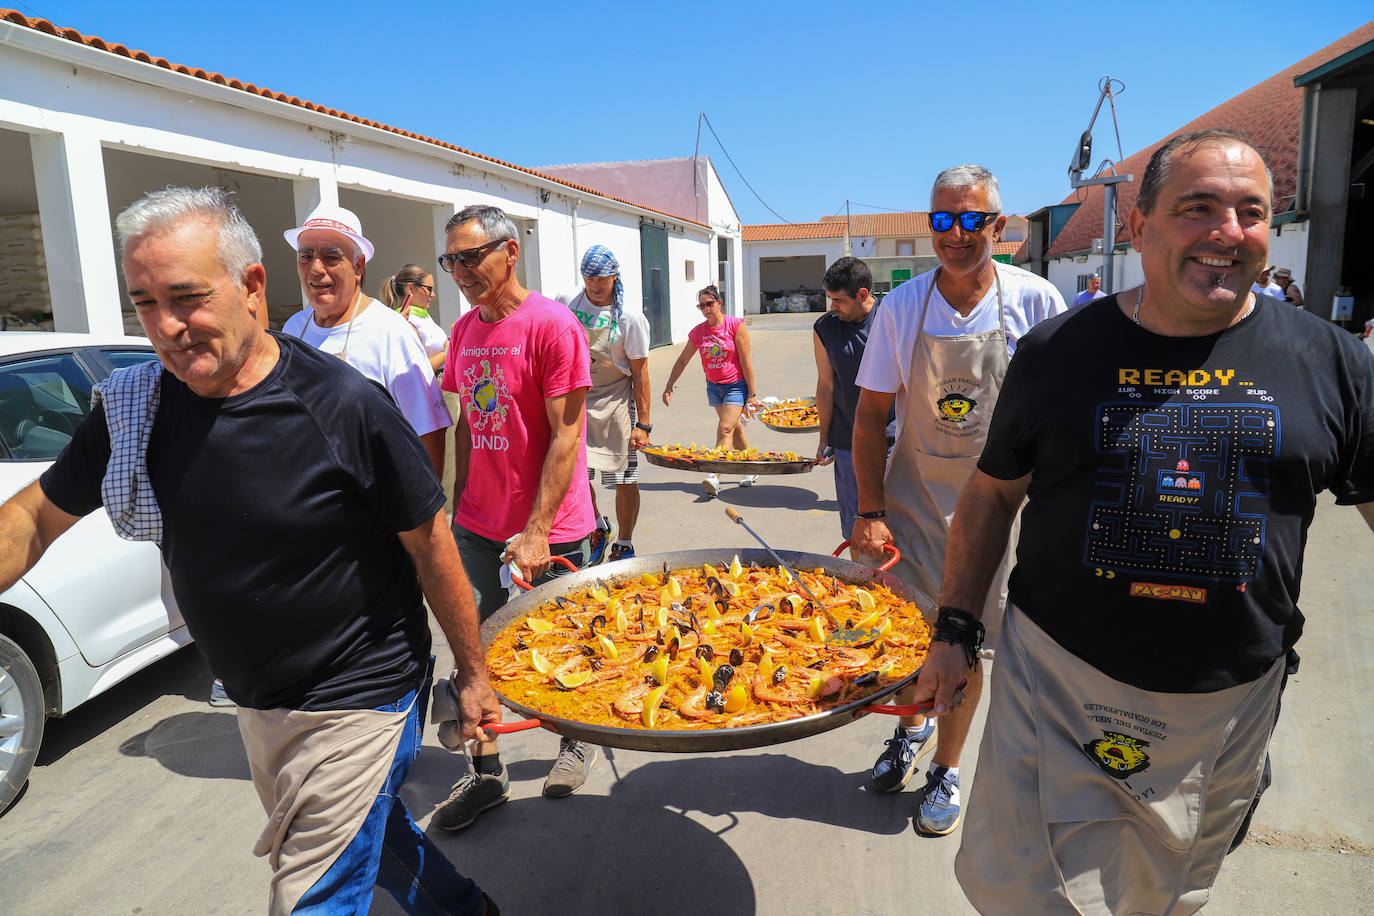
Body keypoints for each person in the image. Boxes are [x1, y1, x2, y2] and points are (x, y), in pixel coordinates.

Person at [6, 186, 502, 915]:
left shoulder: (343, 405)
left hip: (359, 695)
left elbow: (430, 543)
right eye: (144, 303)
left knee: (314, 892)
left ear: (251, 286)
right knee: (377, 838)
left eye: (186, 297)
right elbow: (33, 517)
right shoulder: (137, 406)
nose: (167, 327)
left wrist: (473, 672)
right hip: (261, 703)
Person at [918, 130, 1374, 914]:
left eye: (1251, 212)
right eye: (1197, 208)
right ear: (1140, 227)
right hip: (1054, 680)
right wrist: (956, 626)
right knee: (1015, 884)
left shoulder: (1331, 362)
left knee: (1159, 894)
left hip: (1220, 703)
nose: (1226, 233)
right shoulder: (1058, 350)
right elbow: (991, 496)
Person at [852, 164, 1067, 836]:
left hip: (998, 512)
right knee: (912, 637)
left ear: (998, 226)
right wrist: (868, 511)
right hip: (915, 504)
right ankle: (909, 729)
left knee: (966, 641)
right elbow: (868, 418)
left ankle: (946, 765)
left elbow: (1062, 421)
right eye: (944, 220)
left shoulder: (1035, 303)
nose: (957, 233)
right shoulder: (903, 306)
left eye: (972, 219)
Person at [432, 204, 597, 820]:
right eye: (452, 260)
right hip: (477, 527)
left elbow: (566, 436)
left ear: (509, 252)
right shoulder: (465, 332)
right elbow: (472, 426)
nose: (460, 271)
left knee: (566, 642)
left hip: (552, 531)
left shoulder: (553, 325)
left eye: (471, 257)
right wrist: (453, 508)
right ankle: (486, 772)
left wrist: (536, 531)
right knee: (473, 652)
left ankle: (577, 741)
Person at [281, 204, 451, 477]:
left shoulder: (390, 332)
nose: (315, 269)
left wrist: (422, 518)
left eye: (330, 257)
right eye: (306, 256)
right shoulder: (293, 329)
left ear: (358, 266)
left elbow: (428, 432)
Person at [560, 245, 652, 563]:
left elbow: (640, 374)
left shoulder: (630, 319)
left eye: (601, 278)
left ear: (614, 276)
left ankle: (624, 543)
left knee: (622, 478)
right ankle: (599, 526)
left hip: (617, 400)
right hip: (579, 399)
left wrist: (643, 424)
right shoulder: (568, 303)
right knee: (576, 475)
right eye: (589, 278)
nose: (595, 285)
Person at [812, 256, 895, 540]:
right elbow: (825, 386)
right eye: (829, 299)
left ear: (862, 295)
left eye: (838, 300)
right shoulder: (825, 328)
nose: (832, 307)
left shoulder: (891, 320)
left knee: (898, 527)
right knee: (855, 530)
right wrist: (825, 439)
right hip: (848, 445)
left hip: (896, 443)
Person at [661, 284, 764, 496]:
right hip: (714, 388)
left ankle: (714, 475)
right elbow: (682, 360)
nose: (706, 309)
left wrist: (752, 394)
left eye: (710, 304)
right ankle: (752, 466)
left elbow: (746, 361)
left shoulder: (735, 326)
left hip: (736, 385)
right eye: (702, 306)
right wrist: (669, 384)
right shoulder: (699, 332)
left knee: (724, 429)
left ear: (719, 303)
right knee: (734, 429)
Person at [379, 263, 449, 372]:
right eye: (429, 289)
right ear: (410, 288)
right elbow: (419, 370)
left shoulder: (420, 316)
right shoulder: (406, 322)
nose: (433, 294)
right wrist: (446, 352)